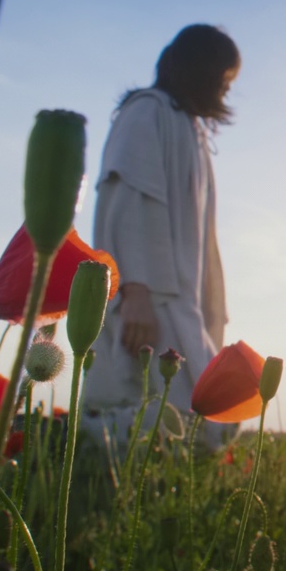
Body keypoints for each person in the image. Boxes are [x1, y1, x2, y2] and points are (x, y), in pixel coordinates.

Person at [81, 24, 239, 449]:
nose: (225, 89)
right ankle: (66, 446)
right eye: (223, 77)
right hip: (150, 299)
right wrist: (135, 293)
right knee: (182, 423)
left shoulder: (185, 125)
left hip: (178, 299)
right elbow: (129, 201)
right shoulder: (146, 112)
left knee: (197, 423)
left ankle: (101, 468)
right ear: (202, 70)